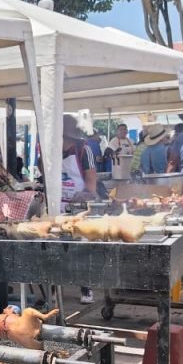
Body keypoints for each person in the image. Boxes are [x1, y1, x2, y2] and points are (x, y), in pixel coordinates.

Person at [61, 114, 99, 304]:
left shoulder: (84, 150)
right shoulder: (49, 152)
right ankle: (55, 289)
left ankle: (86, 287)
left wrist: (83, 195)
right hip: (58, 206)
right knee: (56, 248)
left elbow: (91, 186)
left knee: (81, 249)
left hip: (80, 208)